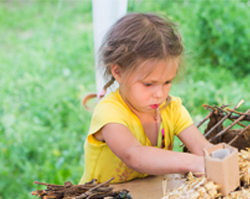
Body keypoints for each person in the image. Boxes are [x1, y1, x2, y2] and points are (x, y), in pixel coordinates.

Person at [79, 13, 214, 184]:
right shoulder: (109, 112)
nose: (159, 94)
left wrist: (226, 160)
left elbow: (205, 150)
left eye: (167, 82)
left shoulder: (171, 109)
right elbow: (134, 155)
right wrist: (193, 163)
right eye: (149, 84)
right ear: (118, 72)